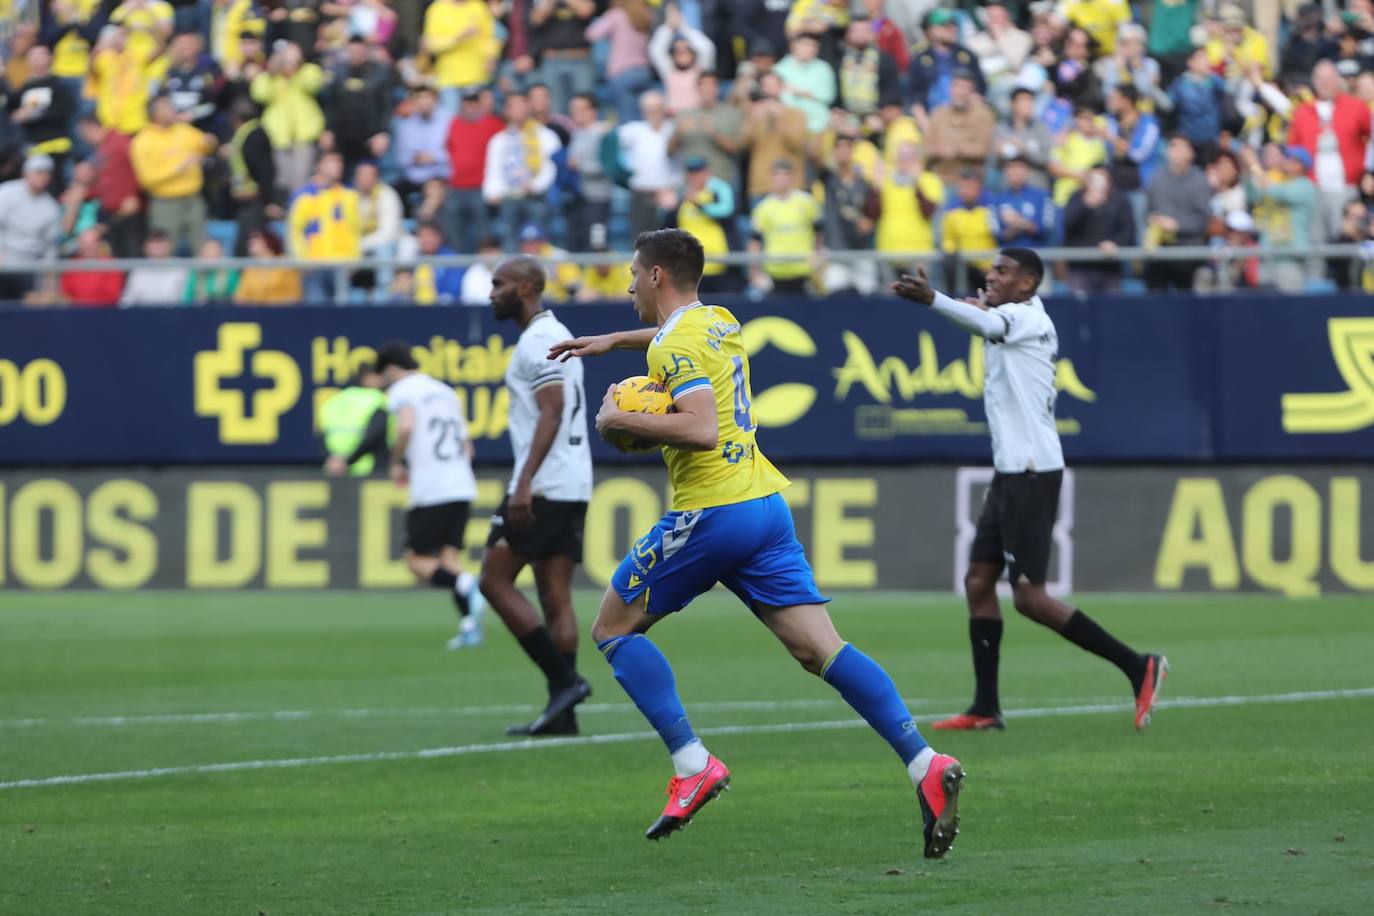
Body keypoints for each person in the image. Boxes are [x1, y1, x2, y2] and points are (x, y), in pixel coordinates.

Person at [546, 228, 965, 855]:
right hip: (764, 508)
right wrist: (614, 341)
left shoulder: (678, 343)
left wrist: (618, 418)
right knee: (821, 648)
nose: (629, 284)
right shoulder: (717, 319)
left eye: (634, 273)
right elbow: (671, 342)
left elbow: (700, 428)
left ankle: (692, 765)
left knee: (612, 628)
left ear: (657, 276)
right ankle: (923, 762)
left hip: (712, 511)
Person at [891, 250, 1167, 734]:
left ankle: (1138, 665)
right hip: (1011, 470)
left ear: (1027, 283)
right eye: (991, 270)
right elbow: (981, 316)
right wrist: (957, 302)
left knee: (1030, 598)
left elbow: (988, 325)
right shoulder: (1011, 314)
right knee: (979, 582)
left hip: (1033, 471)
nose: (990, 276)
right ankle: (985, 707)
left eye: (1002, 272)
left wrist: (934, 299)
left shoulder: (1026, 319)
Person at [481, 256, 595, 736]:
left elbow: (552, 411)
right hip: (572, 479)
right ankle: (562, 715)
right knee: (554, 594)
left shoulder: (538, 340)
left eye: (498, 284)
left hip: (545, 483)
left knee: (494, 579)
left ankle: (564, 681)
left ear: (526, 288)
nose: (491, 293)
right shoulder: (555, 333)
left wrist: (523, 482)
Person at [374, 339, 486, 651]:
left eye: (384, 377)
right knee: (449, 559)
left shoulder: (403, 391)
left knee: (416, 560)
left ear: (393, 370)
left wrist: (396, 461)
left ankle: (469, 585)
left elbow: (406, 427)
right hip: (461, 483)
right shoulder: (445, 391)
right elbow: (468, 446)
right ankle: (470, 627)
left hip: (432, 487)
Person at [1287, 60, 1372, 249]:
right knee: (1315, 242)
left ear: (1337, 80)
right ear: (1314, 81)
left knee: (1346, 241)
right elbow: (1292, 149)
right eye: (1320, 78)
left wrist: (1367, 173)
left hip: (1346, 188)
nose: (1325, 83)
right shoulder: (1302, 112)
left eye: (1329, 78)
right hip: (1313, 188)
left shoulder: (1356, 107)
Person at [130, 95, 217, 255]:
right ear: (155, 114)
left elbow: (204, 146)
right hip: (165, 203)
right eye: (166, 107)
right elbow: (147, 179)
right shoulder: (143, 141)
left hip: (193, 198)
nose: (172, 109)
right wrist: (178, 168)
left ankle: (203, 280)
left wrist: (210, 143)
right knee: (164, 250)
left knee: (202, 246)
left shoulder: (183, 130)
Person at [482, 91, 561, 250]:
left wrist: (535, 186)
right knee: (510, 242)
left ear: (528, 107)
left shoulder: (544, 135)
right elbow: (493, 169)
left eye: (521, 104)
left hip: (536, 198)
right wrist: (493, 192)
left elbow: (551, 168)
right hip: (509, 198)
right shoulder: (499, 139)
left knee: (538, 242)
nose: (518, 109)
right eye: (513, 106)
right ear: (507, 110)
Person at [250, 40, 326, 198]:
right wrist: (272, 72)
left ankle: (300, 212)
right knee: (282, 182)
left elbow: (312, 85)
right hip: (278, 137)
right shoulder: (270, 78)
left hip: (304, 136)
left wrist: (297, 69)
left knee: (301, 180)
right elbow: (259, 94)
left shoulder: (309, 71)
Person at [287, 151, 361, 302]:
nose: (339, 166)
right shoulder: (304, 196)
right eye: (333, 162)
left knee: (343, 317)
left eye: (340, 162)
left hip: (342, 265)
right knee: (317, 316)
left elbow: (355, 231)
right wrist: (302, 261)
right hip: (315, 265)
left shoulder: (350, 196)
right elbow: (294, 231)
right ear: (319, 166)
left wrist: (355, 261)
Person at [1144, 135, 1212, 291]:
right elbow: (1148, 212)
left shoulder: (1199, 180)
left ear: (1191, 153)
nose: (1177, 151)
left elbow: (1202, 220)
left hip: (1189, 252)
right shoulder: (1156, 177)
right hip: (1159, 251)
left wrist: (1177, 225)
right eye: (1173, 146)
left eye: (1182, 147)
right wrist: (1154, 220)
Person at [446, 88, 504, 253]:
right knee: (454, 229)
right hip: (456, 187)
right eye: (467, 103)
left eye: (473, 103)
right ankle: (459, 265)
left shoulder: (493, 124)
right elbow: (448, 150)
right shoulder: (454, 124)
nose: (470, 107)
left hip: (481, 187)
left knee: (482, 231)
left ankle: (484, 264)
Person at [1061, 166, 1136, 293]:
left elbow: (1129, 230)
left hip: (1110, 265)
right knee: (1079, 310)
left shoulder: (1120, 200)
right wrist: (1085, 205)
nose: (1098, 182)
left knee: (1111, 310)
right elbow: (1067, 225)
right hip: (1080, 266)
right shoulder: (1076, 197)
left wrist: (1115, 244)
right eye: (1094, 178)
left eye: (1102, 178)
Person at [749, 159, 819, 294]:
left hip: (803, 271)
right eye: (777, 175)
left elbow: (819, 232)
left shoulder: (807, 202)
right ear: (771, 178)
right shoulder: (763, 208)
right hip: (775, 272)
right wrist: (755, 273)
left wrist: (818, 256)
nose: (781, 179)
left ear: (792, 178)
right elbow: (754, 242)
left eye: (785, 174)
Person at [0, 156, 62, 302]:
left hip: (29, 267)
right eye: (39, 172)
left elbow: (50, 247)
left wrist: (49, 280)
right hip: (4, 262)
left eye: (47, 173)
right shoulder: (6, 193)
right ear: (27, 173)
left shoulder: (50, 207)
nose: (44, 177)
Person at [672, 155, 737, 295]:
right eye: (693, 173)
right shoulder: (683, 194)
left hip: (718, 262)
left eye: (700, 172)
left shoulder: (718, 190)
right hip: (690, 265)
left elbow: (726, 211)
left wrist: (699, 204)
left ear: (708, 173)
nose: (696, 177)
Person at [618, 90, 677, 240]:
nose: (653, 113)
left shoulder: (673, 130)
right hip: (641, 193)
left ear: (663, 109)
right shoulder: (634, 130)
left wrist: (674, 188)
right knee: (641, 241)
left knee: (668, 244)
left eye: (656, 109)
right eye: (648, 109)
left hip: (667, 194)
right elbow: (610, 142)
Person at [667, 75, 743, 190]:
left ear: (717, 88)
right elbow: (669, 151)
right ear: (697, 89)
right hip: (691, 183)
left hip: (721, 180)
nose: (707, 89)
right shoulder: (684, 114)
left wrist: (714, 133)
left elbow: (737, 150)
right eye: (703, 85)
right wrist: (678, 133)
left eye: (711, 85)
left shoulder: (731, 114)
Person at [422, 0, 498, 114]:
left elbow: (489, 38)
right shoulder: (437, 9)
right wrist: (458, 38)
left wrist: (491, 57)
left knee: (477, 120)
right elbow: (431, 44)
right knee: (451, 122)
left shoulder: (479, 6)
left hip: (476, 75)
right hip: (449, 78)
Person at [925, 69, 996, 184]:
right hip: (940, 176)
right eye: (957, 87)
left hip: (970, 179)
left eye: (966, 88)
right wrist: (938, 150)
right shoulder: (938, 113)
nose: (961, 92)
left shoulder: (983, 115)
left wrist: (957, 150)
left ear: (972, 92)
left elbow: (983, 148)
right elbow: (926, 146)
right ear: (950, 89)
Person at [321, 363, 390, 478]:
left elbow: (321, 436)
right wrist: (347, 461)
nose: (383, 381)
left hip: (335, 470)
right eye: (379, 377)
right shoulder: (378, 399)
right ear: (366, 378)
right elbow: (373, 435)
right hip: (369, 470)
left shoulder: (335, 400)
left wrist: (333, 460)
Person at [941, 170, 998, 294]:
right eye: (962, 187)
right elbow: (949, 242)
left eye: (969, 187)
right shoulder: (952, 213)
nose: (965, 191)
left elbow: (998, 238)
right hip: (965, 270)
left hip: (989, 270)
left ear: (979, 187)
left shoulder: (991, 210)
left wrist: (989, 266)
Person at [393, 86, 453, 204]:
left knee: (438, 190)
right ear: (414, 102)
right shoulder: (406, 125)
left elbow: (457, 152)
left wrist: (435, 157)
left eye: (427, 98)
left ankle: (427, 217)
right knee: (391, 191)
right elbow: (401, 158)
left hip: (442, 177)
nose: (423, 102)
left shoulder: (449, 121)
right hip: (415, 180)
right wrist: (415, 159)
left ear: (435, 100)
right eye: (419, 98)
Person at [989, 155, 1055, 249]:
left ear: (1027, 171)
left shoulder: (1042, 196)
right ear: (1005, 171)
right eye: (1011, 167)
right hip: (1008, 257)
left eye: (1019, 167)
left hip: (1036, 256)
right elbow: (997, 235)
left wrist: (1019, 221)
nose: (1015, 171)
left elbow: (1045, 230)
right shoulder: (996, 199)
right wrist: (1019, 226)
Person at [121, 230, 190, 305]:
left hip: (173, 313)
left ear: (171, 245)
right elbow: (127, 299)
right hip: (142, 314)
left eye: (161, 241)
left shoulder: (181, 267)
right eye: (153, 242)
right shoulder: (138, 269)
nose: (157, 246)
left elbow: (185, 298)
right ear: (145, 246)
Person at [234, 228, 302, 305]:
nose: (251, 242)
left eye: (256, 239)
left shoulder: (285, 264)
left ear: (268, 241)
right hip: (255, 313)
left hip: (281, 312)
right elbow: (240, 297)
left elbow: (294, 296)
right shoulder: (250, 268)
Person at [183, 237, 239, 304]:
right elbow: (186, 300)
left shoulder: (230, 273)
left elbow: (237, 299)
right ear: (202, 253)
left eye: (215, 249)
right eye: (208, 249)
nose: (212, 253)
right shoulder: (195, 274)